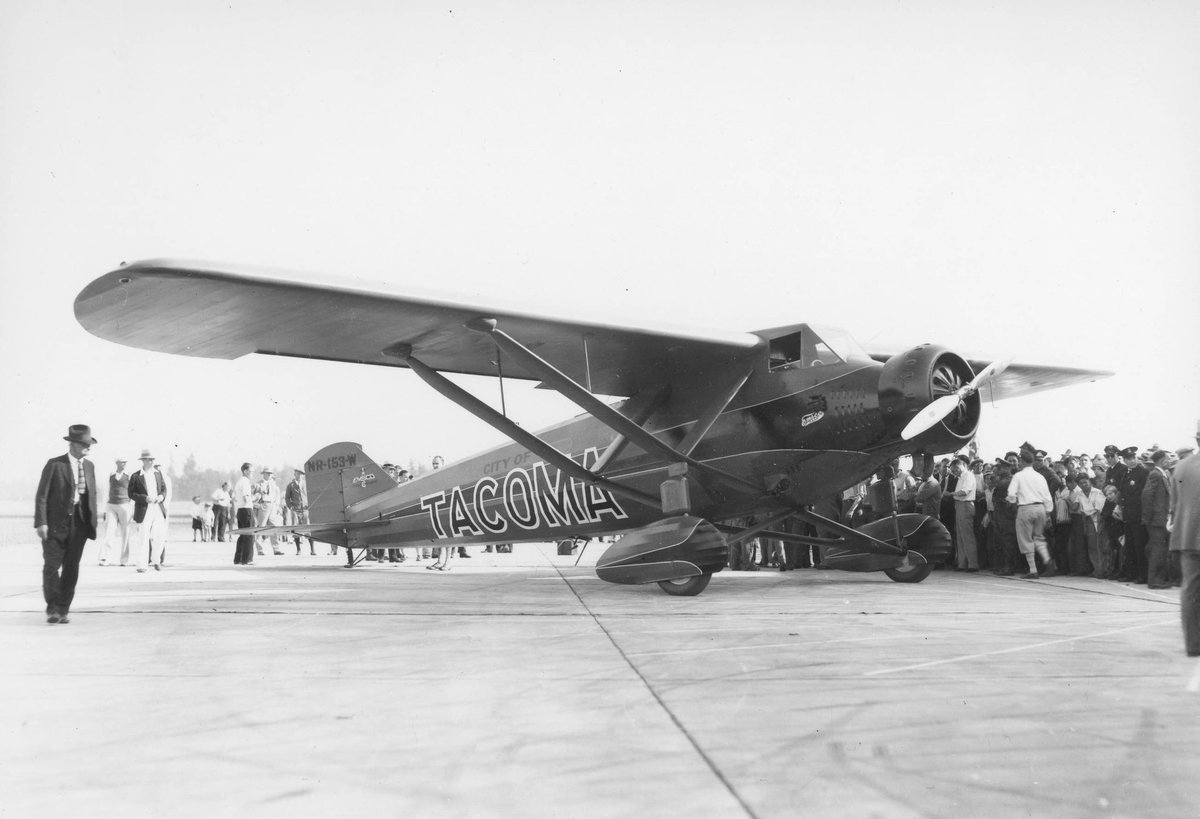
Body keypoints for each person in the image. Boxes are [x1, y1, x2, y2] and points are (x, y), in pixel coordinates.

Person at [34, 424, 99, 624]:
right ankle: (52, 607)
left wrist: (93, 522)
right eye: (85, 444)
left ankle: (63, 609)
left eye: (90, 443)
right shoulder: (54, 464)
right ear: (73, 444)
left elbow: (91, 496)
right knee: (52, 567)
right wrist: (41, 522)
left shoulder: (89, 466)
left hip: (79, 524)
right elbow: (42, 496)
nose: (89, 447)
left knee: (71, 567)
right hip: (54, 524)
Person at [1169, 420, 1200, 656]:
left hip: (1188, 539)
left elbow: (1175, 505)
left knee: (1190, 590)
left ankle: (1193, 645)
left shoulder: (1180, 467)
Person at [1007, 450, 1057, 579]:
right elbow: (1047, 496)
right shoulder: (1039, 476)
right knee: (1038, 537)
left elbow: (1011, 494)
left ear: (1022, 461)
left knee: (1026, 539)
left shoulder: (1018, 476)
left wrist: (1012, 500)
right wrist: (1048, 512)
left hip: (1025, 508)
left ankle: (1033, 570)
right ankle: (1047, 560)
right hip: (1040, 508)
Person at [128, 449, 168, 573]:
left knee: (160, 535)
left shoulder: (158, 473)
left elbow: (163, 489)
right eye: (148, 459)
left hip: (157, 508)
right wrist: (145, 498)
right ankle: (142, 565)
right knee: (143, 536)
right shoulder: (135, 476)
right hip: (143, 509)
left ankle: (156, 560)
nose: (151, 462)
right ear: (143, 461)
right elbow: (131, 494)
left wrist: (161, 496)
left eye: (152, 460)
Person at [1117, 446, 1149, 583]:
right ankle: (1131, 574)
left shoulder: (1142, 472)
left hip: (1138, 515)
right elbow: (1123, 493)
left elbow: (1144, 495)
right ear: (1124, 460)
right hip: (1128, 516)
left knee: (1139, 546)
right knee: (1129, 546)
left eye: (1133, 458)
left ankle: (1143, 575)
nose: (1132, 461)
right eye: (1128, 459)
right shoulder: (1126, 473)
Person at [1143, 449, 1173, 589]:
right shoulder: (1156, 474)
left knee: (1158, 549)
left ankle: (1158, 578)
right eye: (1167, 458)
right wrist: (1149, 518)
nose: (1170, 461)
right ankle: (1154, 580)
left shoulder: (1163, 474)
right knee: (1157, 550)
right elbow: (1147, 495)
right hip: (1156, 520)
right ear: (1161, 460)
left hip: (1161, 519)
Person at [100, 456, 132, 566]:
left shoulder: (129, 476)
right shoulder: (111, 475)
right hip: (111, 505)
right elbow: (106, 492)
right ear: (117, 463)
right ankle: (106, 558)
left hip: (125, 505)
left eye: (125, 462)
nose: (124, 464)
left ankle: (124, 560)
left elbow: (131, 492)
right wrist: (104, 509)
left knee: (126, 533)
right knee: (109, 532)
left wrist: (131, 509)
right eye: (122, 462)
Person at [1072, 474, 1106, 578]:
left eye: (1085, 482)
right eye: (1081, 483)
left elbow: (1099, 510)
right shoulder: (1079, 494)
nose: (1084, 485)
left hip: (1098, 519)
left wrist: (1097, 524)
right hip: (1087, 520)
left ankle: (1102, 570)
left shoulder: (1097, 492)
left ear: (1089, 481)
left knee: (1099, 546)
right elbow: (1077, 508)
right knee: (1091, 547)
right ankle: (1097, 569)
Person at [951, 455, 979, 572]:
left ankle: (973, 564)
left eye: (957, 468)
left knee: (967, 536)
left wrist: (951, 494)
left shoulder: (968, 475)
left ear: (963, 465)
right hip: (960, 505)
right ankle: (962, 563)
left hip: (965, 505)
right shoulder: (961, 477)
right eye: (953, 470)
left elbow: (965, 492)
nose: (955, 471)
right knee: (960, 536)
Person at [253, 467, 283, 556]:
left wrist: (276, 506)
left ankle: (276, 549)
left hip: (272, 506)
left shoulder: (273, 484)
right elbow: (254, 495)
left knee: (273, 526)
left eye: (270, 473)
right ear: (264, 474)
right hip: (264, 504)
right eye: (267, 473)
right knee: (261, 526)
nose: (269, 475)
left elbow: (276, 496)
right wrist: (257, 503)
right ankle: (260, 549)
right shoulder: (258, 484)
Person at [285, 468, 315, 555]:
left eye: (302, 474)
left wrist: (310, 505)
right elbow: (287, 498)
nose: (300, 476)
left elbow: (311, 495)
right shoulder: (290, 485)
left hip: (305, 509)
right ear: (295, 474)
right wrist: (290, 507)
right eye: (298, 474)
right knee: (296, 529)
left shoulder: (306, 484)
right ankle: (298, 549)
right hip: (295, 510)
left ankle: (312, 549)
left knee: (308, 529)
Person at [233, 462, 256, 565]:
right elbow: (246, 499)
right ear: (245, 471)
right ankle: (247, 559)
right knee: (249, 535)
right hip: (246, 510)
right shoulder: (246, 482)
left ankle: (238, 559)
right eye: (251, 472)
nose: (252, 474)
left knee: (242, 535)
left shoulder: (239, 482)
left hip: (240, 510)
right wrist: (256, 497)